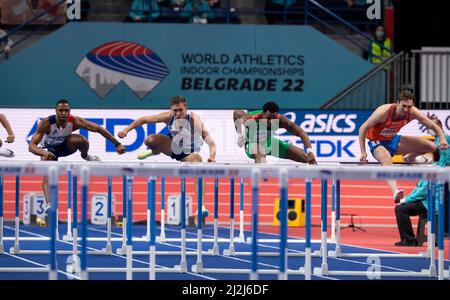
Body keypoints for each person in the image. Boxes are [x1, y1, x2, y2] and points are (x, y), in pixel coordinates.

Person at [118, 95, 216, 217]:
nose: (178, 113)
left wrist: (212, 157)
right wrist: (126, 130)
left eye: (181, 110)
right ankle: (154, 151)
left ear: (186, 109)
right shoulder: (168, 116)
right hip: (172, 146)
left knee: (198, 161)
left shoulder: (194, 120)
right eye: (175, 110)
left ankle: (201, 206)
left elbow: (212, 143)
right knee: (150, 140)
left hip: (188, 153)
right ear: (171, 110)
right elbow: (143, 120)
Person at [28, 99, 126, 209]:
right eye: (61, 110)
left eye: (66, 110)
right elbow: (31, 146)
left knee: (80, 140)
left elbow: (98, 128)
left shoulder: (75, 121)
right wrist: (43, 153)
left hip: (65, 147)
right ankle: (49, 205)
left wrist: (117, 144)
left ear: (69, 111)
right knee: (49, 174)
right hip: (48, 150)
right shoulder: (46, 123)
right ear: (56, 111)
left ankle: (85, 156)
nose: (64, 113)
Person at [359, 88, 449, 203]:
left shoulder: (413, 112)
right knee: (386, 159)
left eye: (409, 106)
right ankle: (395, 191)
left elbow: (433, 126)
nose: (406, 109)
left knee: (432, 147)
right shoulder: (383, 112)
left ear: (413, 104)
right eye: (403, 106)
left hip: (393, 140)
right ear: (397, 103)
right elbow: (363, 128)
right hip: (377, 141)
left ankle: (409, 157)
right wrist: (363, 152)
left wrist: (442, 138)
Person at [394, 116, 450, 246]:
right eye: (429, 127)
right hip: (436, 183)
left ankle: (409, 240)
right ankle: (412, 238)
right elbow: (429, 152)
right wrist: (412, 156)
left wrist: (406, 199)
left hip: (437, 186)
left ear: (439, 127)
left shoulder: (444, 140)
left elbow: (441, 160)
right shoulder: (435, 142)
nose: (430, 129)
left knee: (400, 209)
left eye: (433, 126)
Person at [233, 101, 317, 164]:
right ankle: (261, 174)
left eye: (273, 118)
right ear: (263, 113)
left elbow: (301, 132)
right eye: (269, 118)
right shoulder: (251, 119)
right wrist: (239, 135)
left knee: (305, 157)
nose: (270, 121)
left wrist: (310, 152)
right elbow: (236, 113)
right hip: (252, 144)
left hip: (269, 142)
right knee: (259, 150)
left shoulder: (280, 121)